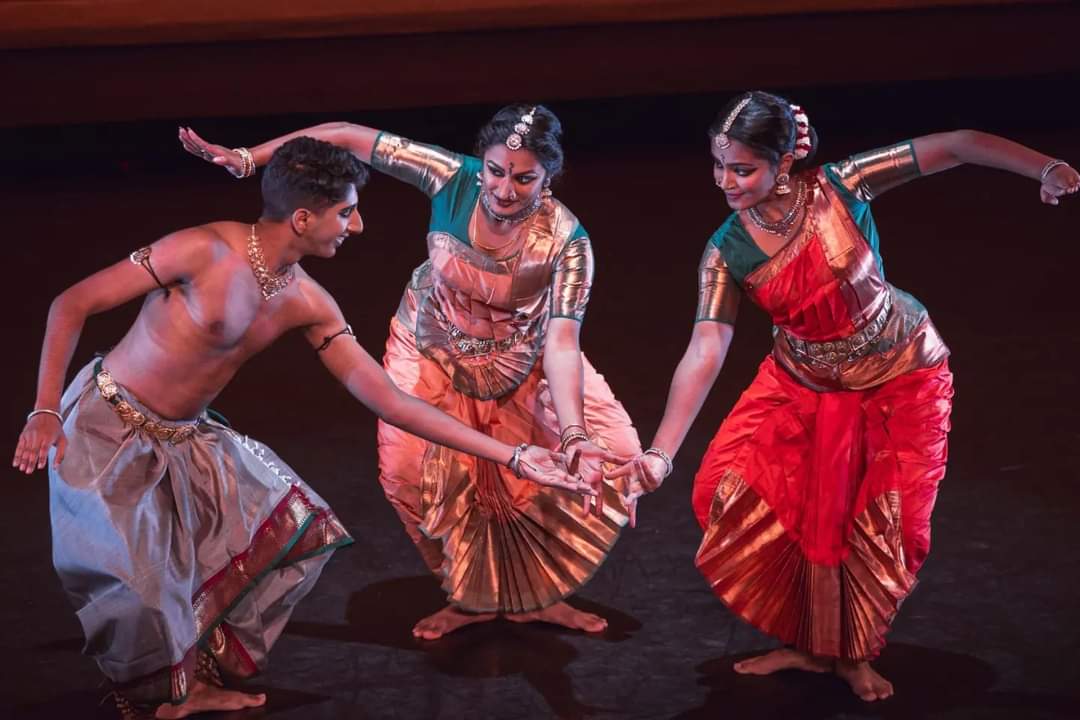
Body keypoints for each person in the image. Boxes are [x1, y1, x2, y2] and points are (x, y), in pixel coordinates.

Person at [12, 137, 588, 719]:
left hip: (186, 440)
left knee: (288, 532)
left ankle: (191, 685)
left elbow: (388, 400)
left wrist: (511, 456)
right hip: (106, 425)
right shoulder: (201, 250)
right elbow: (71, 303)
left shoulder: (307, 301)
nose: (357, 226)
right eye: (347, 211)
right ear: (305, 217)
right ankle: (155, 697)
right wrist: (44, 410)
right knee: (141, 587)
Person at [608, 90, 1079, 702]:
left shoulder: (841, 187)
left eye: (743, 168)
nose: (726, 181)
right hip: (801, 385)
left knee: (884, 525)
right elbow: (705, 349)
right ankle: (808, 644)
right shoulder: (726, 249)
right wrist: (660, 454)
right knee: (744, 495)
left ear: (785, 162)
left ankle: (853, 653)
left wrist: (1044, 168)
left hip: (901, 378)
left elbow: (958, 144)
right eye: (719, 166)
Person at [179, 103, 642, 641]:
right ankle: (469, 596)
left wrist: (574, 433)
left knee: (607, 457)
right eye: (495, 170)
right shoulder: (451, 176)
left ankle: (534, 597)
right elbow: (346, 134)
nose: (504, 189)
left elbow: (562, 340)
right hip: (431, 342)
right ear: (480, 162)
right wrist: (246, 157)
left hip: (524, 356)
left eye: (524, 178)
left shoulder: (567, 242)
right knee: (412, 472)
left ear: (550, 177)